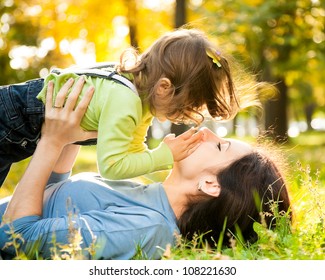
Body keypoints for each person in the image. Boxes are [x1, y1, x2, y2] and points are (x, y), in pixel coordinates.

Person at [0, 78, 291, 260]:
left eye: (219, 146)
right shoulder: (143, 195)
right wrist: (73, 134)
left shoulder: (143, 229)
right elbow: (53, 200)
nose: (205, 133)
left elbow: (15, 236)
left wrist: (51, 141)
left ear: (209, 185)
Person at [0, 28, 262, 187]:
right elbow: (112, 167)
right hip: (8, 119)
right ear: (164, 87)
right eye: (188, 105)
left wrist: (169, 168)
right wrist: (164, 156)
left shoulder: (141, 103)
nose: (186, 115)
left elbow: (133, 153)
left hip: (18, 131)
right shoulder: (125, 102)